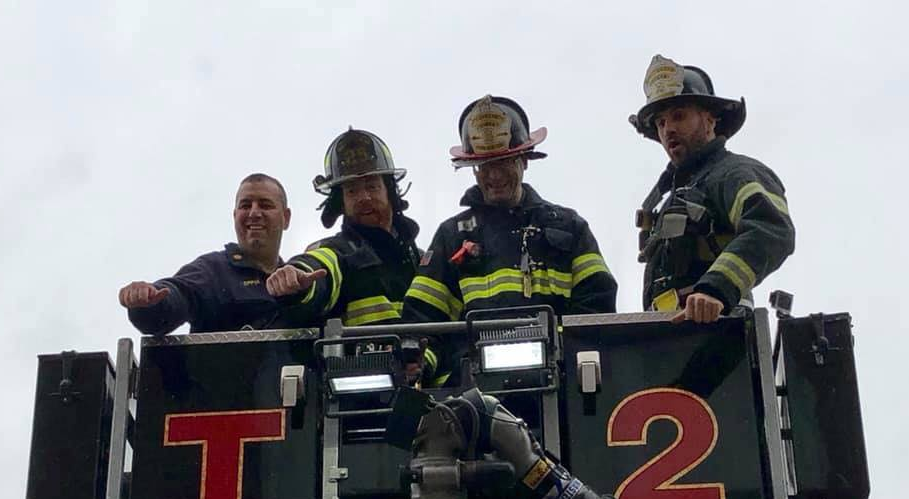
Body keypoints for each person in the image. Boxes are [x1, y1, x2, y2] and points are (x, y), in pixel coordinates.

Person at [404, 95, 616, 381]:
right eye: (484, 165)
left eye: (503, 162)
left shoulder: (570, 227)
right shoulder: (451, 236)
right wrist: (421, 363)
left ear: (525, 161)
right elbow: (424, 320)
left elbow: (597, 305)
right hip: (470, 394)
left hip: (556, 387)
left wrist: (558, 350)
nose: (494, 175)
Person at [631, 55, 795, 322]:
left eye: (679, 116)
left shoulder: (733, 173)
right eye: (661, 123)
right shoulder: (672, 194)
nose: (668, 129)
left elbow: (772, 229)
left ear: (710, 119)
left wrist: (716, 290)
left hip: (721, 333)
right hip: (671, 336)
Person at [265, 128, 427, 373]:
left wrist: (427, 365)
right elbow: (319, 265)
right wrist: (297, 280)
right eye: (351, 190)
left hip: (434, 396)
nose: (363, 197)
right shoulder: (338, 252)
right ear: (341, 201)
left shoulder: (422, 260)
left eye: (372, 186)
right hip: (360, 399)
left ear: (390, 191)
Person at [119, 174, 292, 334]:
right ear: (235, 216)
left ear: (286, 218)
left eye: (265, 205)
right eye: (245, 206)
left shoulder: (301, 283)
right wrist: (149, 300)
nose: (254, 213)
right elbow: (178, 294)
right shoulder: (212, 271)